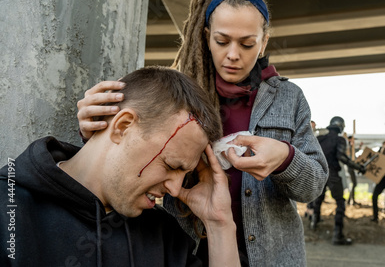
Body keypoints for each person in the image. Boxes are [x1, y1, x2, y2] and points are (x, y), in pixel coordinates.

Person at [76, 0, 328, 266]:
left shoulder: (290, 98)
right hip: (183, 253)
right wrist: (96, 127)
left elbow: (312, 186)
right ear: (206, 36)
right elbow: (124, 155)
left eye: (247, 43)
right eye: (222, 41)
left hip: (273, 257)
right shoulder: (174, 94)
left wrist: (286, 158)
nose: (233, 54)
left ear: (264, 42)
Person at [0, 66, 241, 266]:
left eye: (185, 175)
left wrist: (219, 224)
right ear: (123, 126)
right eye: (170, 165)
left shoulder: (164, 238)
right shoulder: (7, 209)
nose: (176, 190)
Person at [309, 116, 366, 245]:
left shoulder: (320, 139)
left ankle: (314, 223)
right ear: (340, 127)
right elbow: (342, 157)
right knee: (340, 202)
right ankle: (337, 235)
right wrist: (358, 167)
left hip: (319, 172)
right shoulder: (340, 140)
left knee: (318, 198)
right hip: (332, 174)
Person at [346, 135, 363, 206]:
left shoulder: (351, 148)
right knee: (354, 183)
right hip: (350, 168)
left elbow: (356, 150)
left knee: (354, 184)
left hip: (352, 168)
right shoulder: (348, 148)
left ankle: (350, 199)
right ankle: (350, 200)